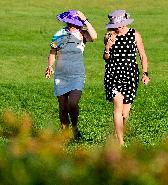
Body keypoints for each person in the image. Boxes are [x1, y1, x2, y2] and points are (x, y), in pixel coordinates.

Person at [45, 10, 97, 140]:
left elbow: (94, 36)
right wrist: (50, 66)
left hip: (77, 75)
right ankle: (65, 133)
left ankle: (74, 127)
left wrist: (86, 21)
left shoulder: (82, 34)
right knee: (62, 107)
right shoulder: (59, 34)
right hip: (61, 75)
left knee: (72, 104)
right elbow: (53, 52)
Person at [103, 10, 150, 145]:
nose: (118, 27)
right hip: (113, 75)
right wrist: (107, 48)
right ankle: (120, 142)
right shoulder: (109, 36)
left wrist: (145, 73)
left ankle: (116, 133)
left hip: (131, 75)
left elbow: (142, 56)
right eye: (116, 24)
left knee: (125, 114)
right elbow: (106, 59)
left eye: (120, 24)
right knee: (117, 106)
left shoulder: (135, 35)